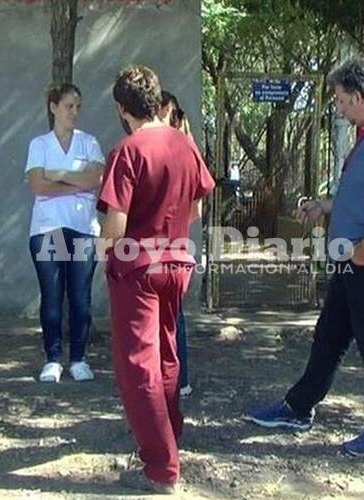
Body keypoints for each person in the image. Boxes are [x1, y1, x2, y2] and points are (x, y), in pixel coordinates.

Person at [247, 59, 364, 457]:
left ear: (359, 97)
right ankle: (298, 407)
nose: (339, 108)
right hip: (351, 261)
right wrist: (326, 206)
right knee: (328, 338)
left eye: (342, 101)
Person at [99, 65, 215, 494]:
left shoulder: (127, 151)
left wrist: (102, 252)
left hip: (137, 268)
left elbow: (116, 223)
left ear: (120, 108)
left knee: (137, 366)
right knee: (167, 356)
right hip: (177, 262)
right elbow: (197, 211)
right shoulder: (185, 145)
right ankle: (171, 436)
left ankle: (161, 466)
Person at [25, 83, 104, 383]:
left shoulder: (89, 142)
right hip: (47, 229)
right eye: (69, 106)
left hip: (83, 230)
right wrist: (77, 180)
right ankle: (53, 358)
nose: (74, 112)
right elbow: (37, 185)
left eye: (78, 106)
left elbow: (95, 179)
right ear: (53, 107)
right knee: (52, 295)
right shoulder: (39, 145)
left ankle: (79, 359)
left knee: (81, 297)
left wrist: (56, 174)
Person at [159, 90, 193, 397]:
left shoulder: (182, 147)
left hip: (168, 243)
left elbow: (197, 204)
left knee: (171, 315)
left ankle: (178, 378)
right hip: (166, 243)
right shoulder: (183, 149)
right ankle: (173, 379)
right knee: (167, 315)